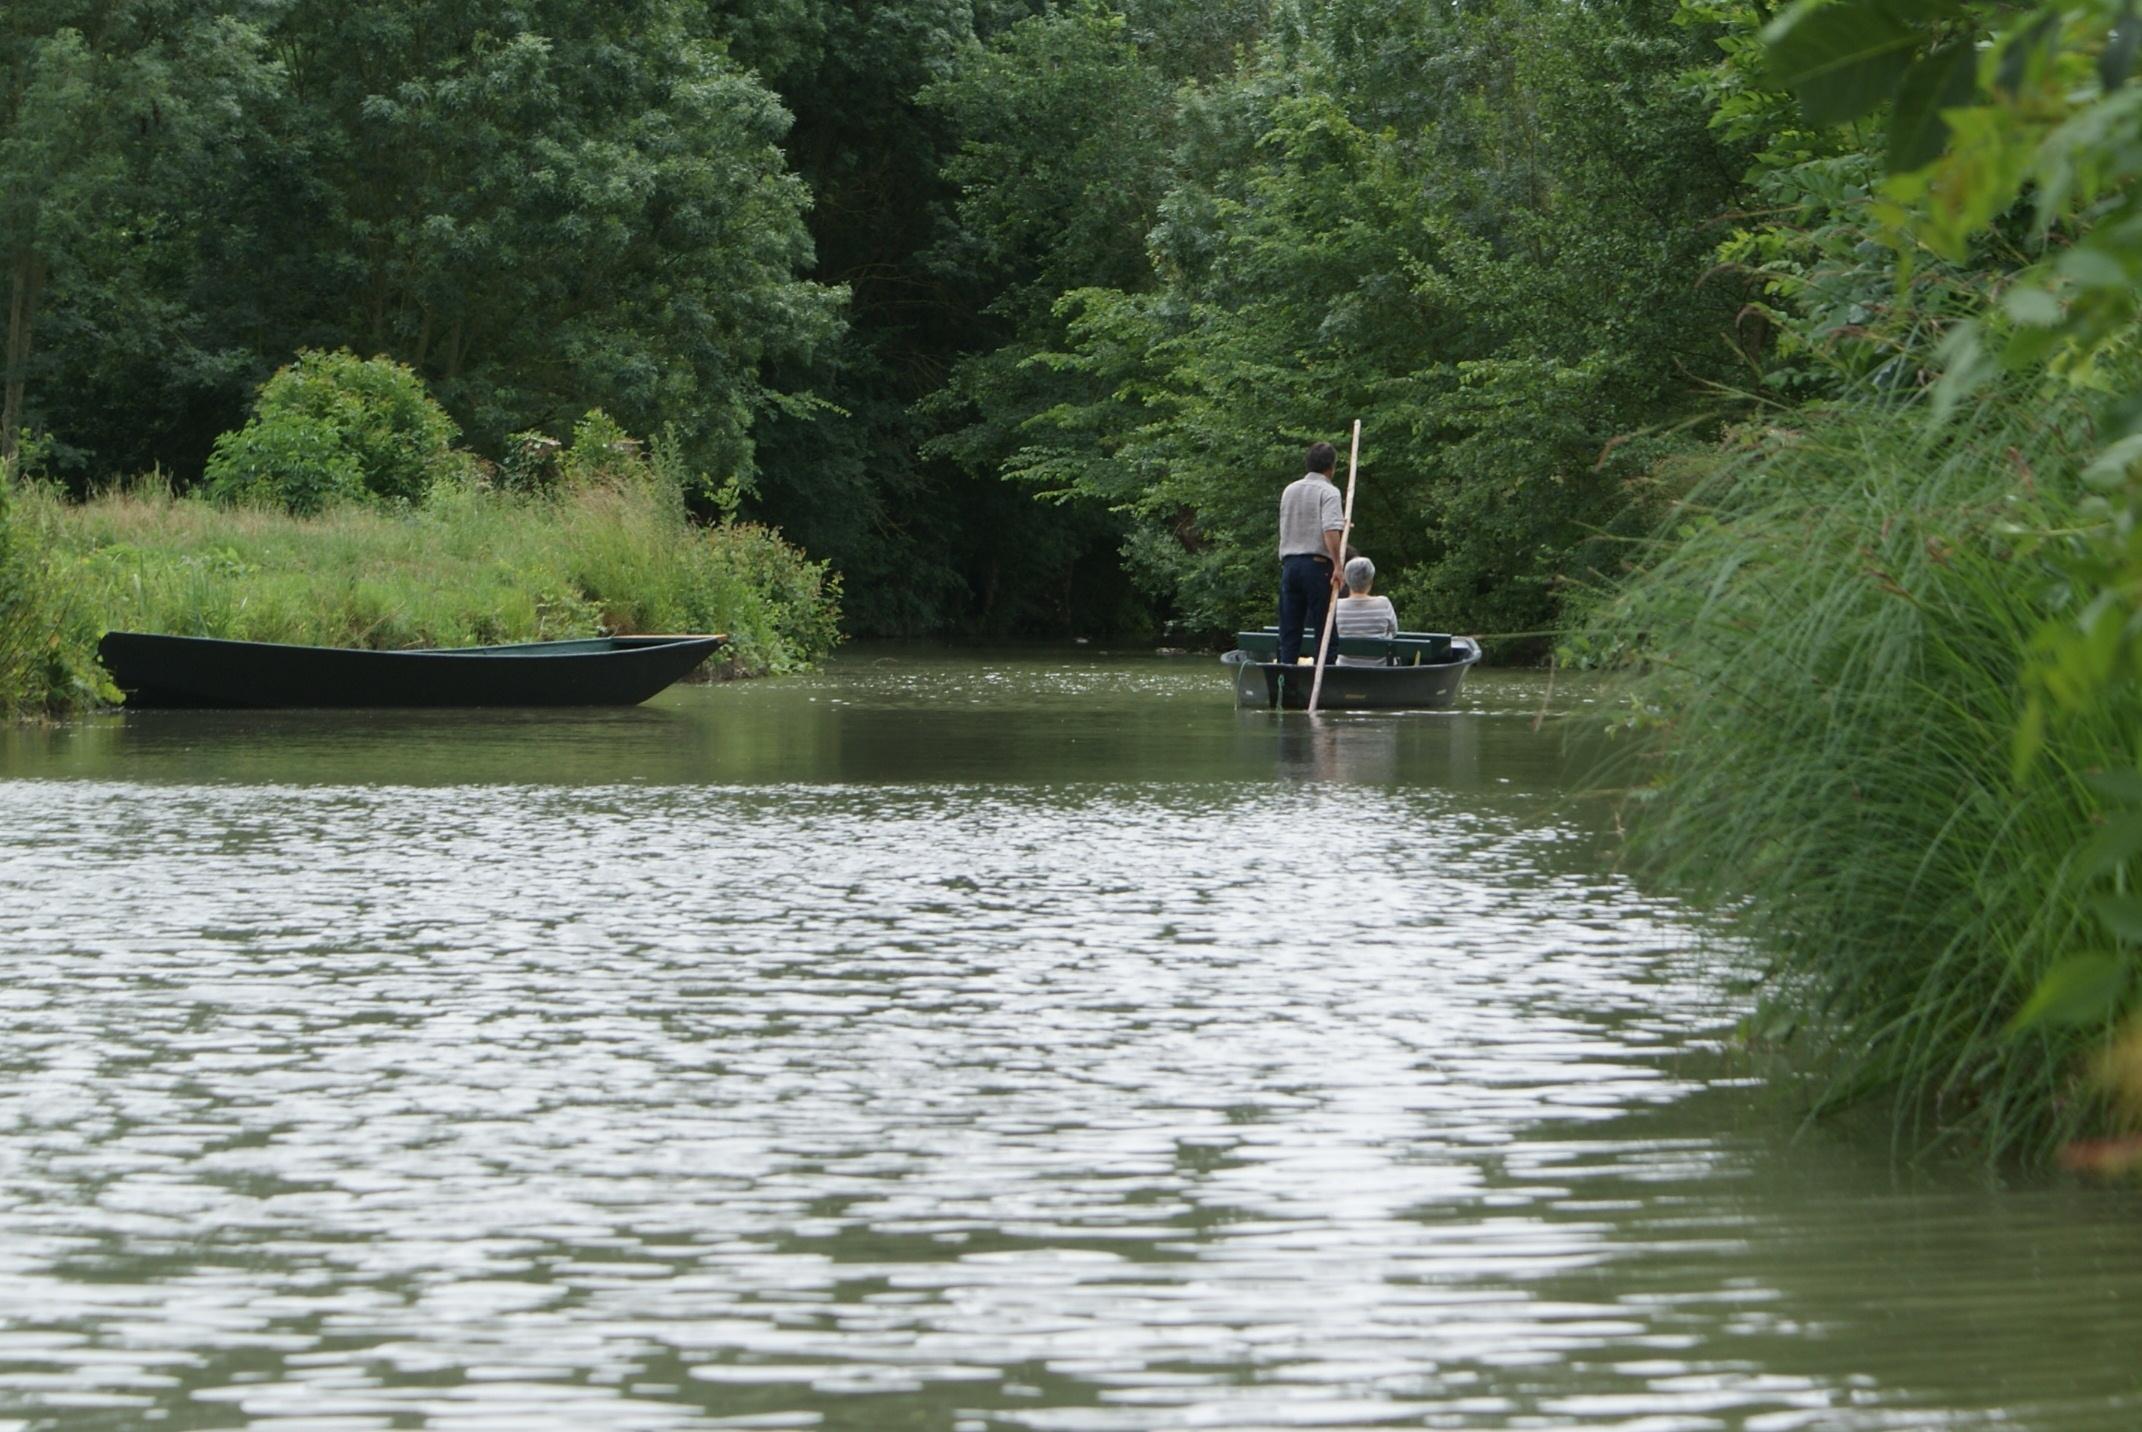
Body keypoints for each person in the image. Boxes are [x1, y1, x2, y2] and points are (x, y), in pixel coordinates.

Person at [1276, 440, 1345, 666]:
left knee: (1289, 632)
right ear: (1331, 467)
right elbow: (1329, 531)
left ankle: (1285, 681)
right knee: (1325, 632)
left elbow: (1300, 524)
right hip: (1316, 566)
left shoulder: (1290, 490)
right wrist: (1338, 565)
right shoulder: (1329, 492)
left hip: (1290, 566)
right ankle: (1324, 680)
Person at [1332, 555, 1397, 665]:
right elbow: (1394, 632)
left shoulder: (1336, 606)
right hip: (1381, 672)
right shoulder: (1384, 603)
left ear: (1346, 580)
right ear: (1370, 580)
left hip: (1345, 670)